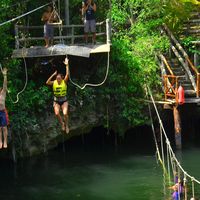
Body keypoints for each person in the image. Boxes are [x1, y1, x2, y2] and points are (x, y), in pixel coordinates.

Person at [46, 58, 69, 134]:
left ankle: (67, 125)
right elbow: (47, 82)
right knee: (56, 113)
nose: (58, 79)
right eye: (57, 78)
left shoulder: (64, 82)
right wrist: (53, 74)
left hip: (64, 100)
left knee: (65, 113)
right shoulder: (54, 82)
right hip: (56, 100)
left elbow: (67, 74)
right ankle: (62, 123)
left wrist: (67, 65)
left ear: (61, 78)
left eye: (59, 78)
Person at [0, 68, 8, 149]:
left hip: (2, 112)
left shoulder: (3, 94)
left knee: (4, 127)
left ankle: (5, 141)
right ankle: (0, 141)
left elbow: (4, 85)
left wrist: (5, 75)